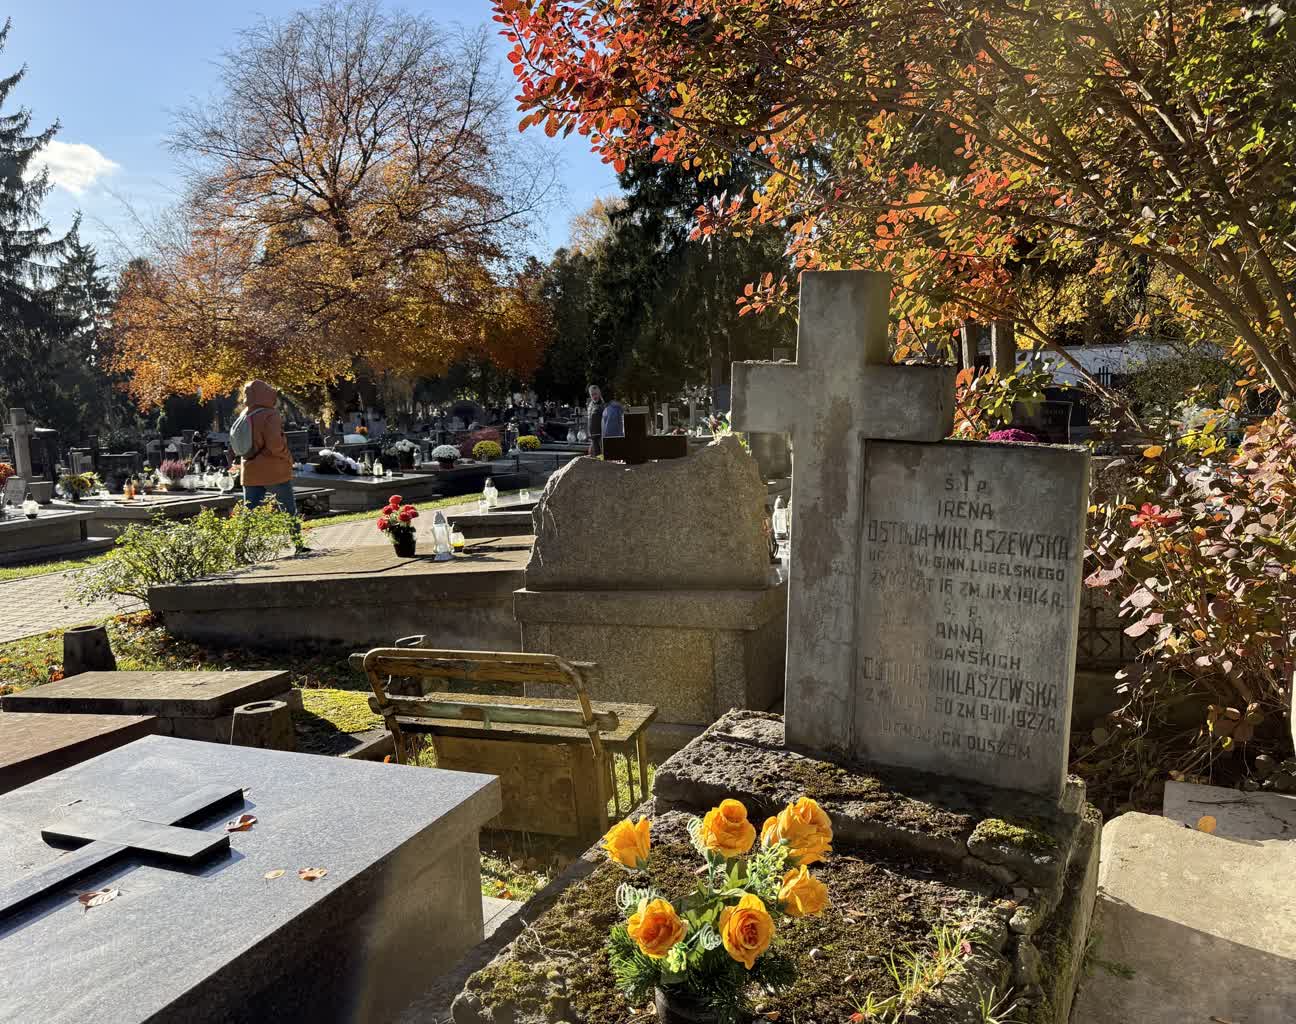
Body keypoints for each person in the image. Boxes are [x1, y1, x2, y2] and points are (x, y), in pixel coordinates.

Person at [239, 379, 296, 515]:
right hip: (274, 471)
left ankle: (245, 531)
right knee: (289, 513)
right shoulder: (270, 414)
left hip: (249, 471)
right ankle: (294, 531)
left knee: (250, 515)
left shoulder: (244, 414)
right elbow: (275, 445)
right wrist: (288, 458)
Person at [586, 384, 606, 456]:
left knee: (602, 456)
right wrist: (589, 435)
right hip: (593, 436)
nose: (594, 396)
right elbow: (589, 420)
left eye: (595, 394)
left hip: (601, 436)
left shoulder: (603, 405)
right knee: (595, 456)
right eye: (592, 395)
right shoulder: (590, 405)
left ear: (599, 393)